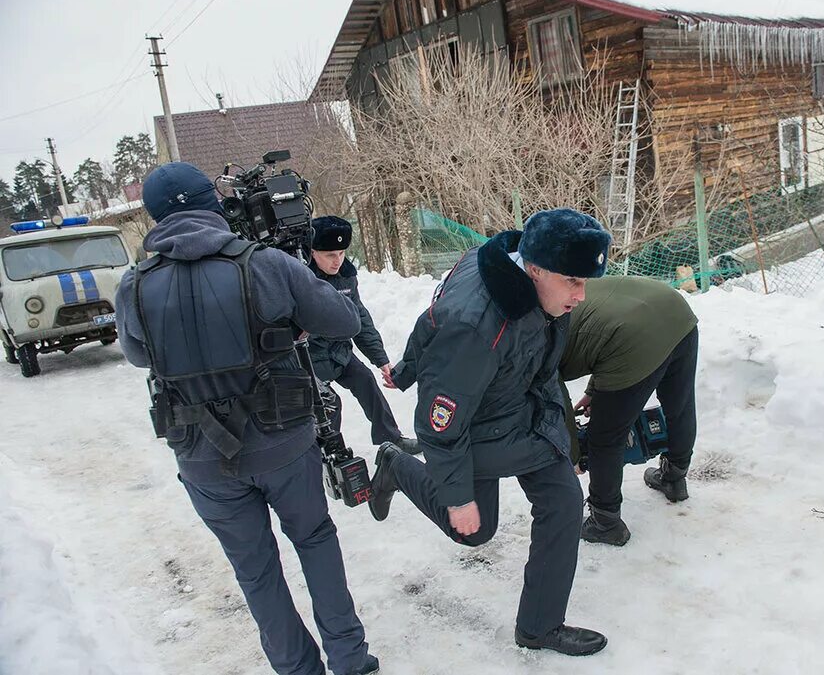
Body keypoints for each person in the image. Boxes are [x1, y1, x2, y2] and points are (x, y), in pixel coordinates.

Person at [115, 162, 379, 675]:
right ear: (212, 204)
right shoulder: (263, 263)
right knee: (315, 539)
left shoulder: (134, 285)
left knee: (255, 572)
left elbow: (139, 355)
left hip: (202, 458)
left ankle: (297, 669)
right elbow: (343, 320)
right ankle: (349, 659)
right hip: (284, 443)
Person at [373, 208, 611, 656]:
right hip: (472, 429)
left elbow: (431, 318)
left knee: (562, 499)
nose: (581, 295)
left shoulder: (519, 272)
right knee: (472, 531)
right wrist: (459, 499)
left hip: (517, 406)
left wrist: (407, 366)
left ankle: (539, 627)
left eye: (585, 282)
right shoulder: (476, 324)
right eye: (573, 282)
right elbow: (438, 425)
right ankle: (396, 465)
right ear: (535, 268)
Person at [560, 276, 699, 546]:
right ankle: (674, 478)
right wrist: (594, 391)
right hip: (674, 310)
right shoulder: (562, 289)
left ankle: (605, 522)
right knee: (679, 405)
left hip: (632, 337)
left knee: (605, 437)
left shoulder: (528, 340)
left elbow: (558, 403)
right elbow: (602, 328)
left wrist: (573, 453)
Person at [306, 215, 419, 454]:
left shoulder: (346, 275)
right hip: (308, 358)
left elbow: (360, 320)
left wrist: (382, 360)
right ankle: (328, 454)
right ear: (313, 252)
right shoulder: (300, 277)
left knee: (366, 380)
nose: (337, 261)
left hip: (339, 352)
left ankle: (391, 438)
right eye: (330, 255)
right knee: (329, 404)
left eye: (341, 253)